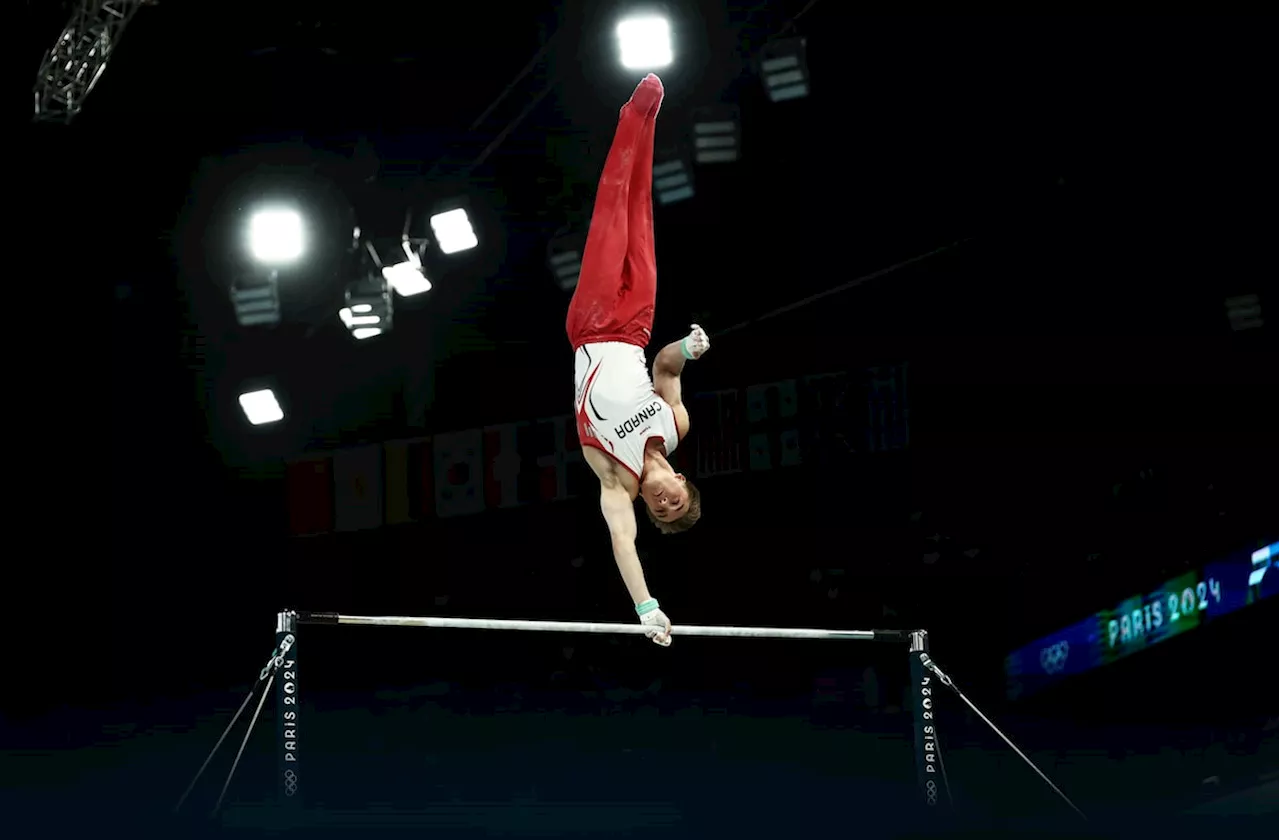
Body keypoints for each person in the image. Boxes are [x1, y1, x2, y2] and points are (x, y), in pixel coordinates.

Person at [566, 74, 711, 648]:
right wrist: (689, 348)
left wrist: (646, 606)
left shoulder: (615, 481)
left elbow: (621, 542)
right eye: (678, 501)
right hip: (638, 326)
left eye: (665, 514)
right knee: (641, 211)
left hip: (593, 325)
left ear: (654, 509)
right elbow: (666, 372)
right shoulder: (674, 429)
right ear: (682, 480)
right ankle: (649, 123)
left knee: (612, 208)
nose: (667, 504)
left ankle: (634, 113)